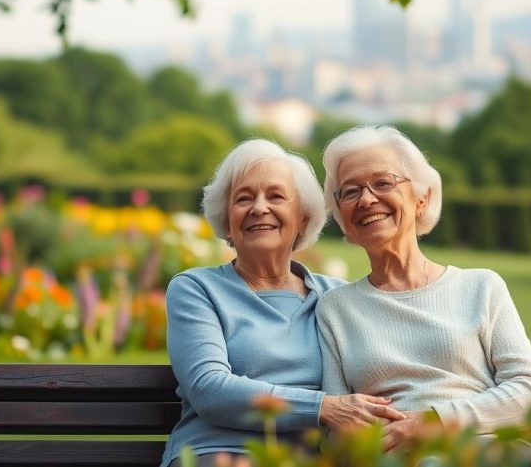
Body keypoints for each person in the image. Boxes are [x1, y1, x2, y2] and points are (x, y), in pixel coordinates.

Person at [161, 139, 406, 467]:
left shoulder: (337, 297)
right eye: (243, 198)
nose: (259, 208)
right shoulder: (197, 289)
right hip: (217, 454)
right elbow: (208, 388)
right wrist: (323, 408)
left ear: (303, 217)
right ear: (227, 219)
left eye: (275, 196)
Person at [316, 125, 531, 452]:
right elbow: (336, 432)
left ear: (422, 199)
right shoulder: (335, 309)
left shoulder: (481, 287)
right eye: (350, 191)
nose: (366, 199)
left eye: (382, 183)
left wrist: (431, 423)